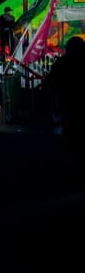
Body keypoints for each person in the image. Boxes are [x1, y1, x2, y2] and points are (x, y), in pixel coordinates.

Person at [44, 35, 85, 172]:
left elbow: (51, 84)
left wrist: (53, 106)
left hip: (67, 105)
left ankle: (71, 167)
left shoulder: (62, 63)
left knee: (69, 136)